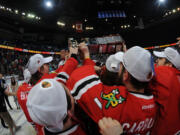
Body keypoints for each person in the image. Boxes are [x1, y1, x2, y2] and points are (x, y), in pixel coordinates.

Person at [66, 46, 157, 134]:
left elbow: (78, 77)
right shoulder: (154, 101)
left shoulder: (117, 104)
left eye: (121, 65)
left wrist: (87, 59)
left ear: (125, 75)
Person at [150, 47, 180, 135]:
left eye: (160, 59)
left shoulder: (163, 74)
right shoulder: (176, 76)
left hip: (163, 130)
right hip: (176, 127)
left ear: (169, 64)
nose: (156, 61)